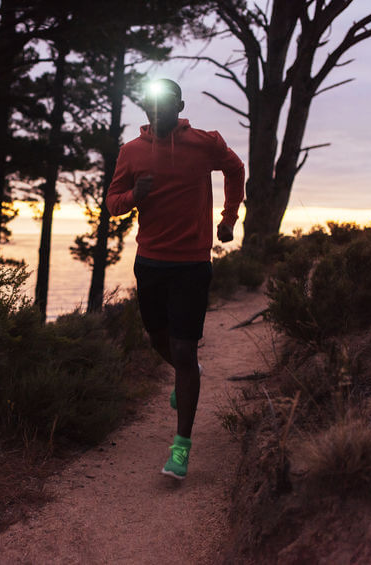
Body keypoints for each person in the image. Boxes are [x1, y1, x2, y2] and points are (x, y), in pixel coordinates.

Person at [106, 78, 245, 480]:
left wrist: (229, 218)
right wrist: (136, 197)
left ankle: (180, 449)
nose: (157, 112)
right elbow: (113, 203)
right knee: (158, 340)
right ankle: (191, 373)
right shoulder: (131, 152)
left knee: (184, 352)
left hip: (191, 263)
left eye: (164, 105)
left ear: (179, 105)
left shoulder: (205, 143)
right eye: (150, 105)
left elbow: (235, 170)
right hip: (150, 263)